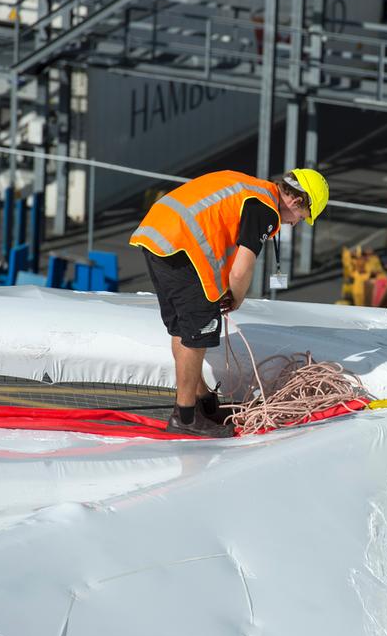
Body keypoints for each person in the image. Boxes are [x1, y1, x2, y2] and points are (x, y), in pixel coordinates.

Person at [130, 168, 330, 438]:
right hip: (181, 247)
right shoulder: (265, 209)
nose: (293, 224)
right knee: (197, 334)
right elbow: (241, 269)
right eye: (301, 218)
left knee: (184, 330)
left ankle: (203, 406)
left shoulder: (252, 188)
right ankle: (185, 417)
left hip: (158, 235)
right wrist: (235, 297)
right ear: (296, 201)